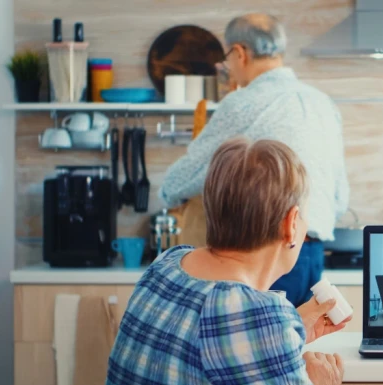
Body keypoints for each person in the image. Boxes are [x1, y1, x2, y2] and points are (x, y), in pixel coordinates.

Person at [108, 137, 350, 385]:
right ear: (291, 224)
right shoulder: (255, 316)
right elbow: (237, 327)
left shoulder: (165, 265)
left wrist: (290, 331)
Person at [158, 13, 349, 308]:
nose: (229, 67)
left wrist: (167, 193)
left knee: (251, 352)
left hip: (266, 257)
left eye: (228, 59)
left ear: (239, 53)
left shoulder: (244, 102)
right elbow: (340, 198)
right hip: (311, 256)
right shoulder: (322, 103)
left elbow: (183, 179)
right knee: (294, 350)